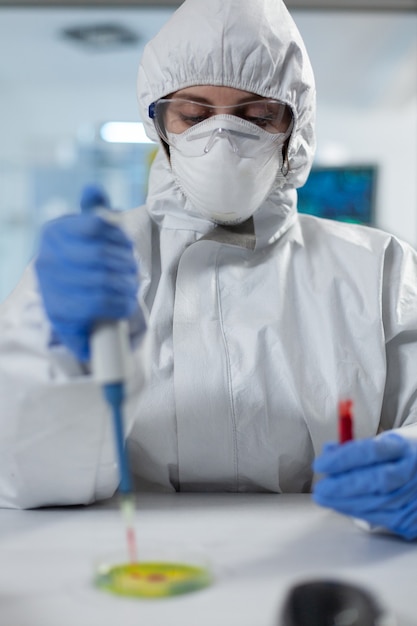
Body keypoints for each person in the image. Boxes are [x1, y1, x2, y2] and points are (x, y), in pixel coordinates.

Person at [1, 0, 417, 542]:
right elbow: (19, 475)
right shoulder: (97, 264)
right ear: (160, 124)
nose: (221, 140)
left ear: (296, 125)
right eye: (194, 116)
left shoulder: (378, 266)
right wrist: (60, 364)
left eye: (256, 115)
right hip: (120, 580)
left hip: (323, 566)